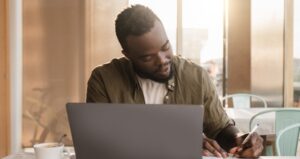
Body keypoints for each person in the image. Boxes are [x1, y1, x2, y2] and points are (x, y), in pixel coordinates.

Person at [86, 4, 263, 158]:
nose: (162, 60)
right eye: (148, 57)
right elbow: (99, 142)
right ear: (128, 55)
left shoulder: (196, 77)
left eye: (166, 47)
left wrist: (239, 138)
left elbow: (220, 128)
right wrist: (180, 140)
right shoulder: (103, 80)